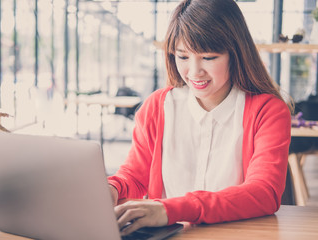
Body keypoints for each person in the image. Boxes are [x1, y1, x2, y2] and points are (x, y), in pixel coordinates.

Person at [108, 0, 292, 236]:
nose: (194, 72)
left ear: (235, 53)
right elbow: (133, 176)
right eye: (183, 57)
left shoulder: (268, 111)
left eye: (208, 58)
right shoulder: (157, 107)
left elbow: (263, 193)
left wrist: (170, 208)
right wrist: (112, 188)